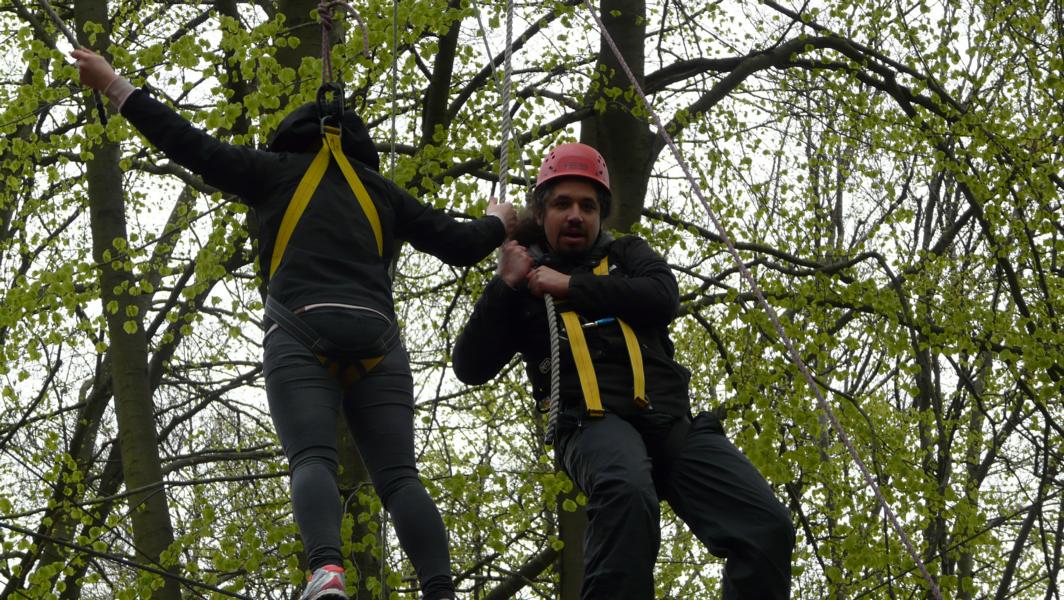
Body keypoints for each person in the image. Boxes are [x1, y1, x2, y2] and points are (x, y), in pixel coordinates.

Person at [74, 48, 516, 600]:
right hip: (379, 338)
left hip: (302, 329)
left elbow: (189, 144)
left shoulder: (273, 172)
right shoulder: (381, 192)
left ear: (289, 139)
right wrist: (497, 222)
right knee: (400, 476)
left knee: (313, 457)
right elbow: (461, 244)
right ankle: (441, 590)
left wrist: (114, 85)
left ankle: (327, 573)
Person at [452, 142, 794, 599]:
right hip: (589, 424)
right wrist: (504, 284)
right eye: (562, 204)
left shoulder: (628, 255)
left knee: (767, 527)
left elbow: (662, 296)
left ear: (601, 215)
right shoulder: (524, 284)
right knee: (626, 490)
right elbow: (470, 366)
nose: (576, 215)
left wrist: (571, 286)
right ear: (542, 210)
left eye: (588, 206)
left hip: (670, 423)